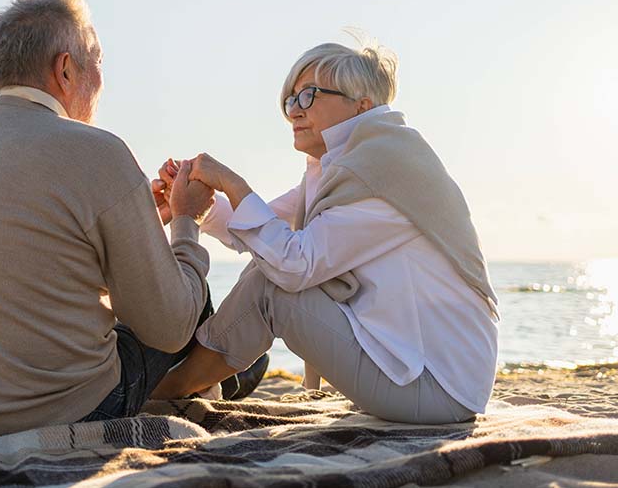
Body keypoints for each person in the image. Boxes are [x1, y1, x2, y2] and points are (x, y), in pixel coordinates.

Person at [0, 0, 262, 443]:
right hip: (59, 413)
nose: (100, 79)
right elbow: (170, 325)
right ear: (65, 69)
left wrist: (143, 223)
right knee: (191, 288)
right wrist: (185, 222)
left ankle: (227, 379)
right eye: (97, 62)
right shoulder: (97, 151)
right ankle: (229, 381)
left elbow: (38, 258)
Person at [150, 40, 500, 424]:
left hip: (438, 390)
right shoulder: (358, 166)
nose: (294, 112)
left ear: (362, 105)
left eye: (308, 96)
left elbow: (293, 264)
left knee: (274, 287)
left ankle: (164, 391)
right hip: (421, 377)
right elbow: (262, 228)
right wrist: (191, 205)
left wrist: (232, 182)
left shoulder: (383, 176)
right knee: (266, 269)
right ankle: (183, 384)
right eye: (290, 100)